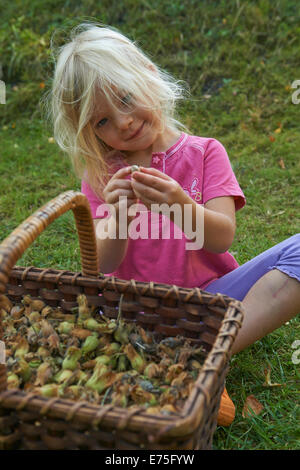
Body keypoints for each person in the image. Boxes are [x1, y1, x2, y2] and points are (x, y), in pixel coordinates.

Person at [50, 23, 300, 426]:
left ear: (149, 73)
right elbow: (101, 266)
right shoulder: (102, 175)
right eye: (101, 122)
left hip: (211, 301)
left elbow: (221, 239)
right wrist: (117, 215)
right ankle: (182, 361)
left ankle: (195, 357)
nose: (124, 123)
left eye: (127, 99)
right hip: (138, 312)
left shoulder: (205, 153)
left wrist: (180, 206)